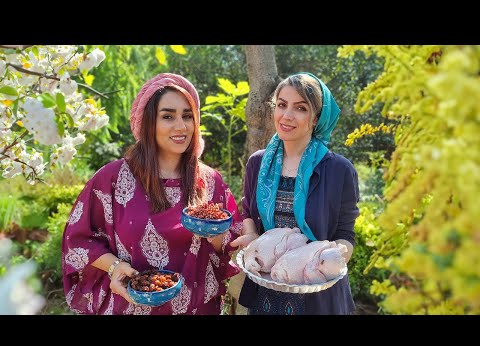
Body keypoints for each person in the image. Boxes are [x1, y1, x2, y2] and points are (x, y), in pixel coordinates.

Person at [62, 73, 242, 315]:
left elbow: (229, 243)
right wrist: (115, 266)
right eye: (168, 116)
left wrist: (216, 236)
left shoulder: (210, 181)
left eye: (187, 116)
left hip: (197, 308)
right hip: (130, 305)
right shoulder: (113, 178)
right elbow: (78, 240)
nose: (181, 126)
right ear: (148, 122)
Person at [230, 72, 360, 315]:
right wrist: (252, 237)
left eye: (300, 108)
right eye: (281, 105)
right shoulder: (258, 164)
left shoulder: (339, 170)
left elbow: (345, 234)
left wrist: (333, 258)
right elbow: (247, 211)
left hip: (315, 296)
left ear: (316, 118)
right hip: (265, 290)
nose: (287, 115)